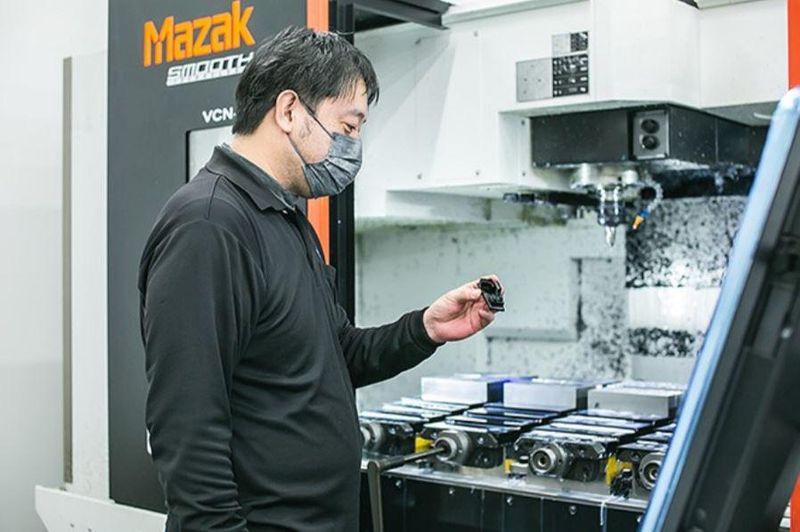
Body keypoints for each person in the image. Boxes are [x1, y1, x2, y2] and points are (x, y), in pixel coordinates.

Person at [138, 26, 503, 532]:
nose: (354, 146)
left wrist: (425, 328)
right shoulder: (210, 225)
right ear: (289, 111)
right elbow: (186, 425)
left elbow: (335, 355)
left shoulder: (286, 219)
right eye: (348, 126)